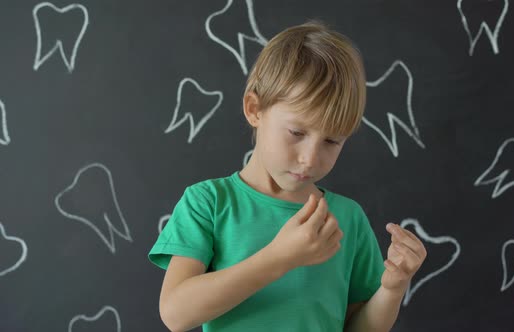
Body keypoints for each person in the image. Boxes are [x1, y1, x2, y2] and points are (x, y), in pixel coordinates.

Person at [148, 21, 427, 332]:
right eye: (297, 132)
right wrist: (279, 258)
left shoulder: (347, 219)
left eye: (331, 141)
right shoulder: (208, 203)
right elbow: (175, 314)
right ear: (254, 109)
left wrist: (392, 289)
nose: (310, 158)